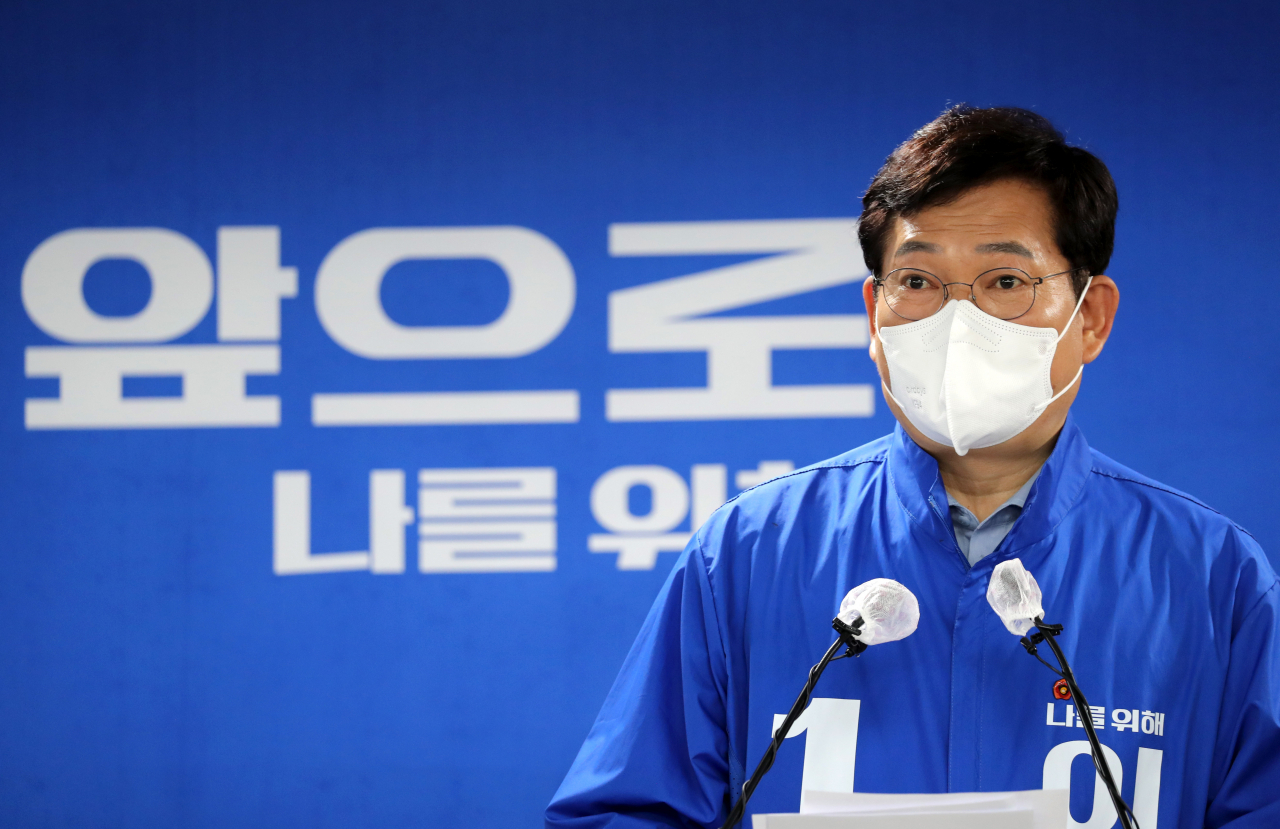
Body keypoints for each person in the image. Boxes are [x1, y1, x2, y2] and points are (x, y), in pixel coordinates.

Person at [546, 106, 1280, 828]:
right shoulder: (746, 552)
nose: (958, 324)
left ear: (1091, 317)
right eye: (919, 282)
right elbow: (626, 809)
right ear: (875, 312)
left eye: (1005, 282)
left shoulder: (1213, 576)